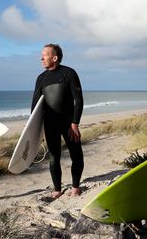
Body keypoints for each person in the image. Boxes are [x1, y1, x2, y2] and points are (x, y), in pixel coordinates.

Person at [32, 43, 84, 198]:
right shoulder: (41, 78)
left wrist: (75, 123)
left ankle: (75, 186)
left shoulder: (69, 73)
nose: (41, 58)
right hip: (50, 124)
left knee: (76, 155)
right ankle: (57, 189)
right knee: (54, 157)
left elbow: (79, 100)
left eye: (45, 55)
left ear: (54, 58)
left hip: (68, 124)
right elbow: (35, 106)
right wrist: (35, 130)